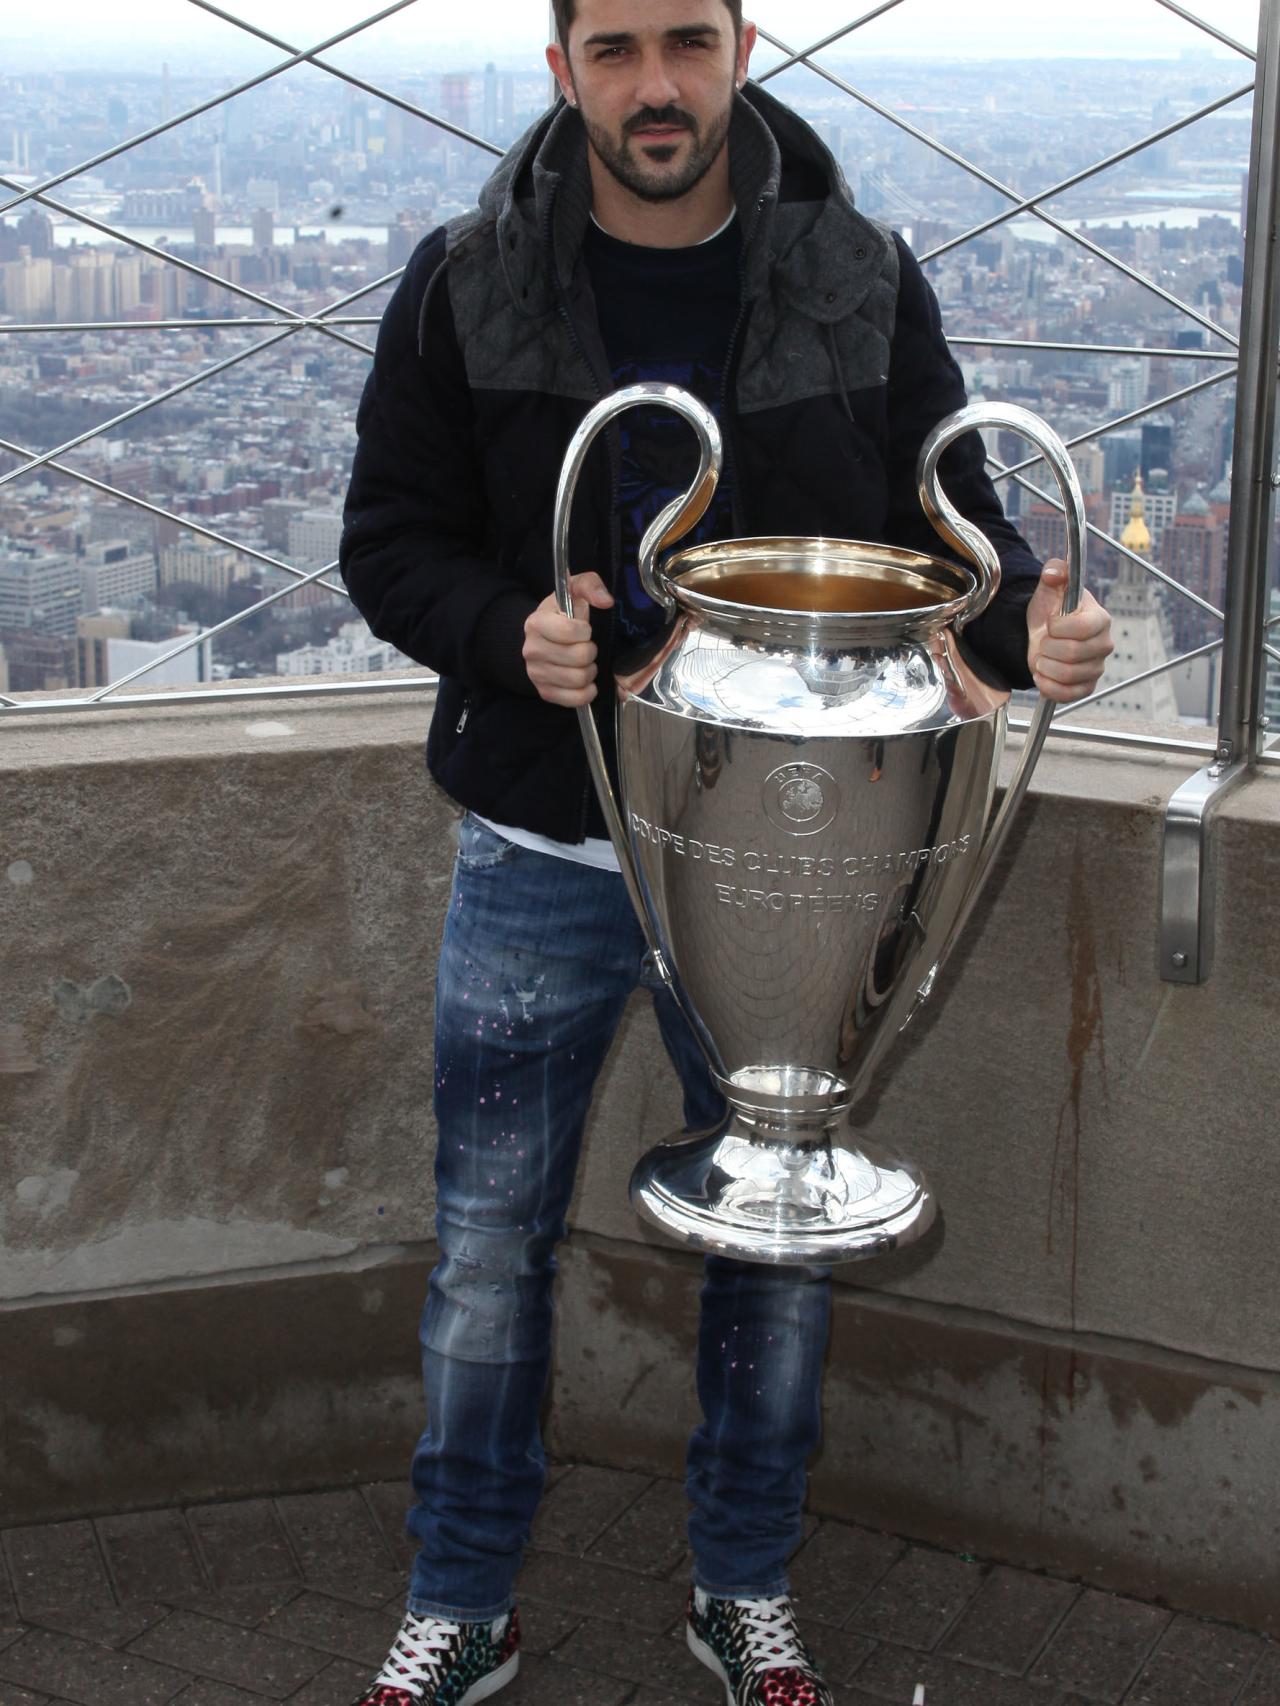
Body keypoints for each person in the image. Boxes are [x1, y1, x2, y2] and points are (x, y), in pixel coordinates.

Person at [339, 2, 1115, 1701]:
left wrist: (1035, 630)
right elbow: (385, 539)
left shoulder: (857, 272)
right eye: (615, 49)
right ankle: (462, 1595)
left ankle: (743, 1582)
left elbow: (950, 534)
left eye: (686, 41)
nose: (656, 86)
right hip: (544, 838)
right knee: (486, 1248)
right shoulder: (466, 280)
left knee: (781, 1226)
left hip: (785, 865)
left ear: (745, 47)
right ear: (562, 71)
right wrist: (507, 631)